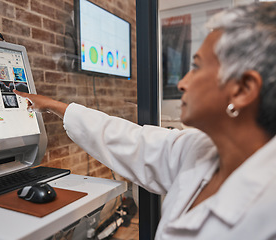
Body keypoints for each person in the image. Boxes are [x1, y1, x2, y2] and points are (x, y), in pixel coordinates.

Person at [14, 2, 276, 239]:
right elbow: (132, 140)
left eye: (196, 67)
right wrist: (53, 105)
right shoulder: (200, 151)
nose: (183, 83)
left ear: (243, 90)